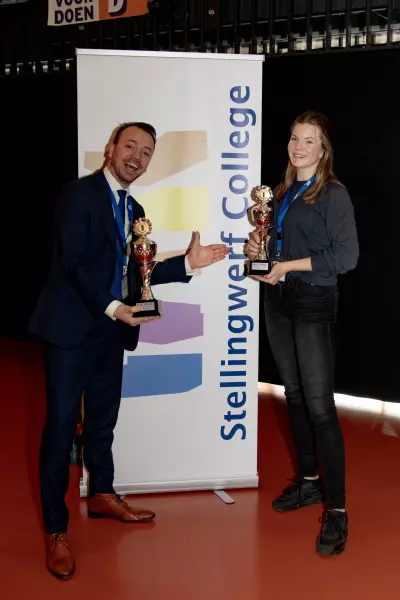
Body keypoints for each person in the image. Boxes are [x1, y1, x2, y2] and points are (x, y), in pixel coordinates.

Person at [29, 122, 229, 580]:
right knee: (60, 430)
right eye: (130, 146)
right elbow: (74, 263)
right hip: (71, 331)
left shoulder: (134, 208)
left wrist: (187, 263)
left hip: (110, 332)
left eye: (146, 152)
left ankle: (102, 493)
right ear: (111, 148)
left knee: (103, 421)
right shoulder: (79, 195)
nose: (136, 157)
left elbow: (137, 273)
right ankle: (56, 531)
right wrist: (114, 307)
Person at [246, 111, 358, 556]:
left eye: (309, 140)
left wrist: (286, 266)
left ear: (323, 149)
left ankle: (338, 511)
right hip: (279, 300)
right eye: (294, 138)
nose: (299, 146)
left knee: (320, 408)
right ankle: (309, 483)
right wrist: (259, 250)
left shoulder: (333, 194)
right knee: (292, 395)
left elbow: (346, 257)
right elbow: (278, 244)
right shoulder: (282, 192)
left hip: (312, 301)